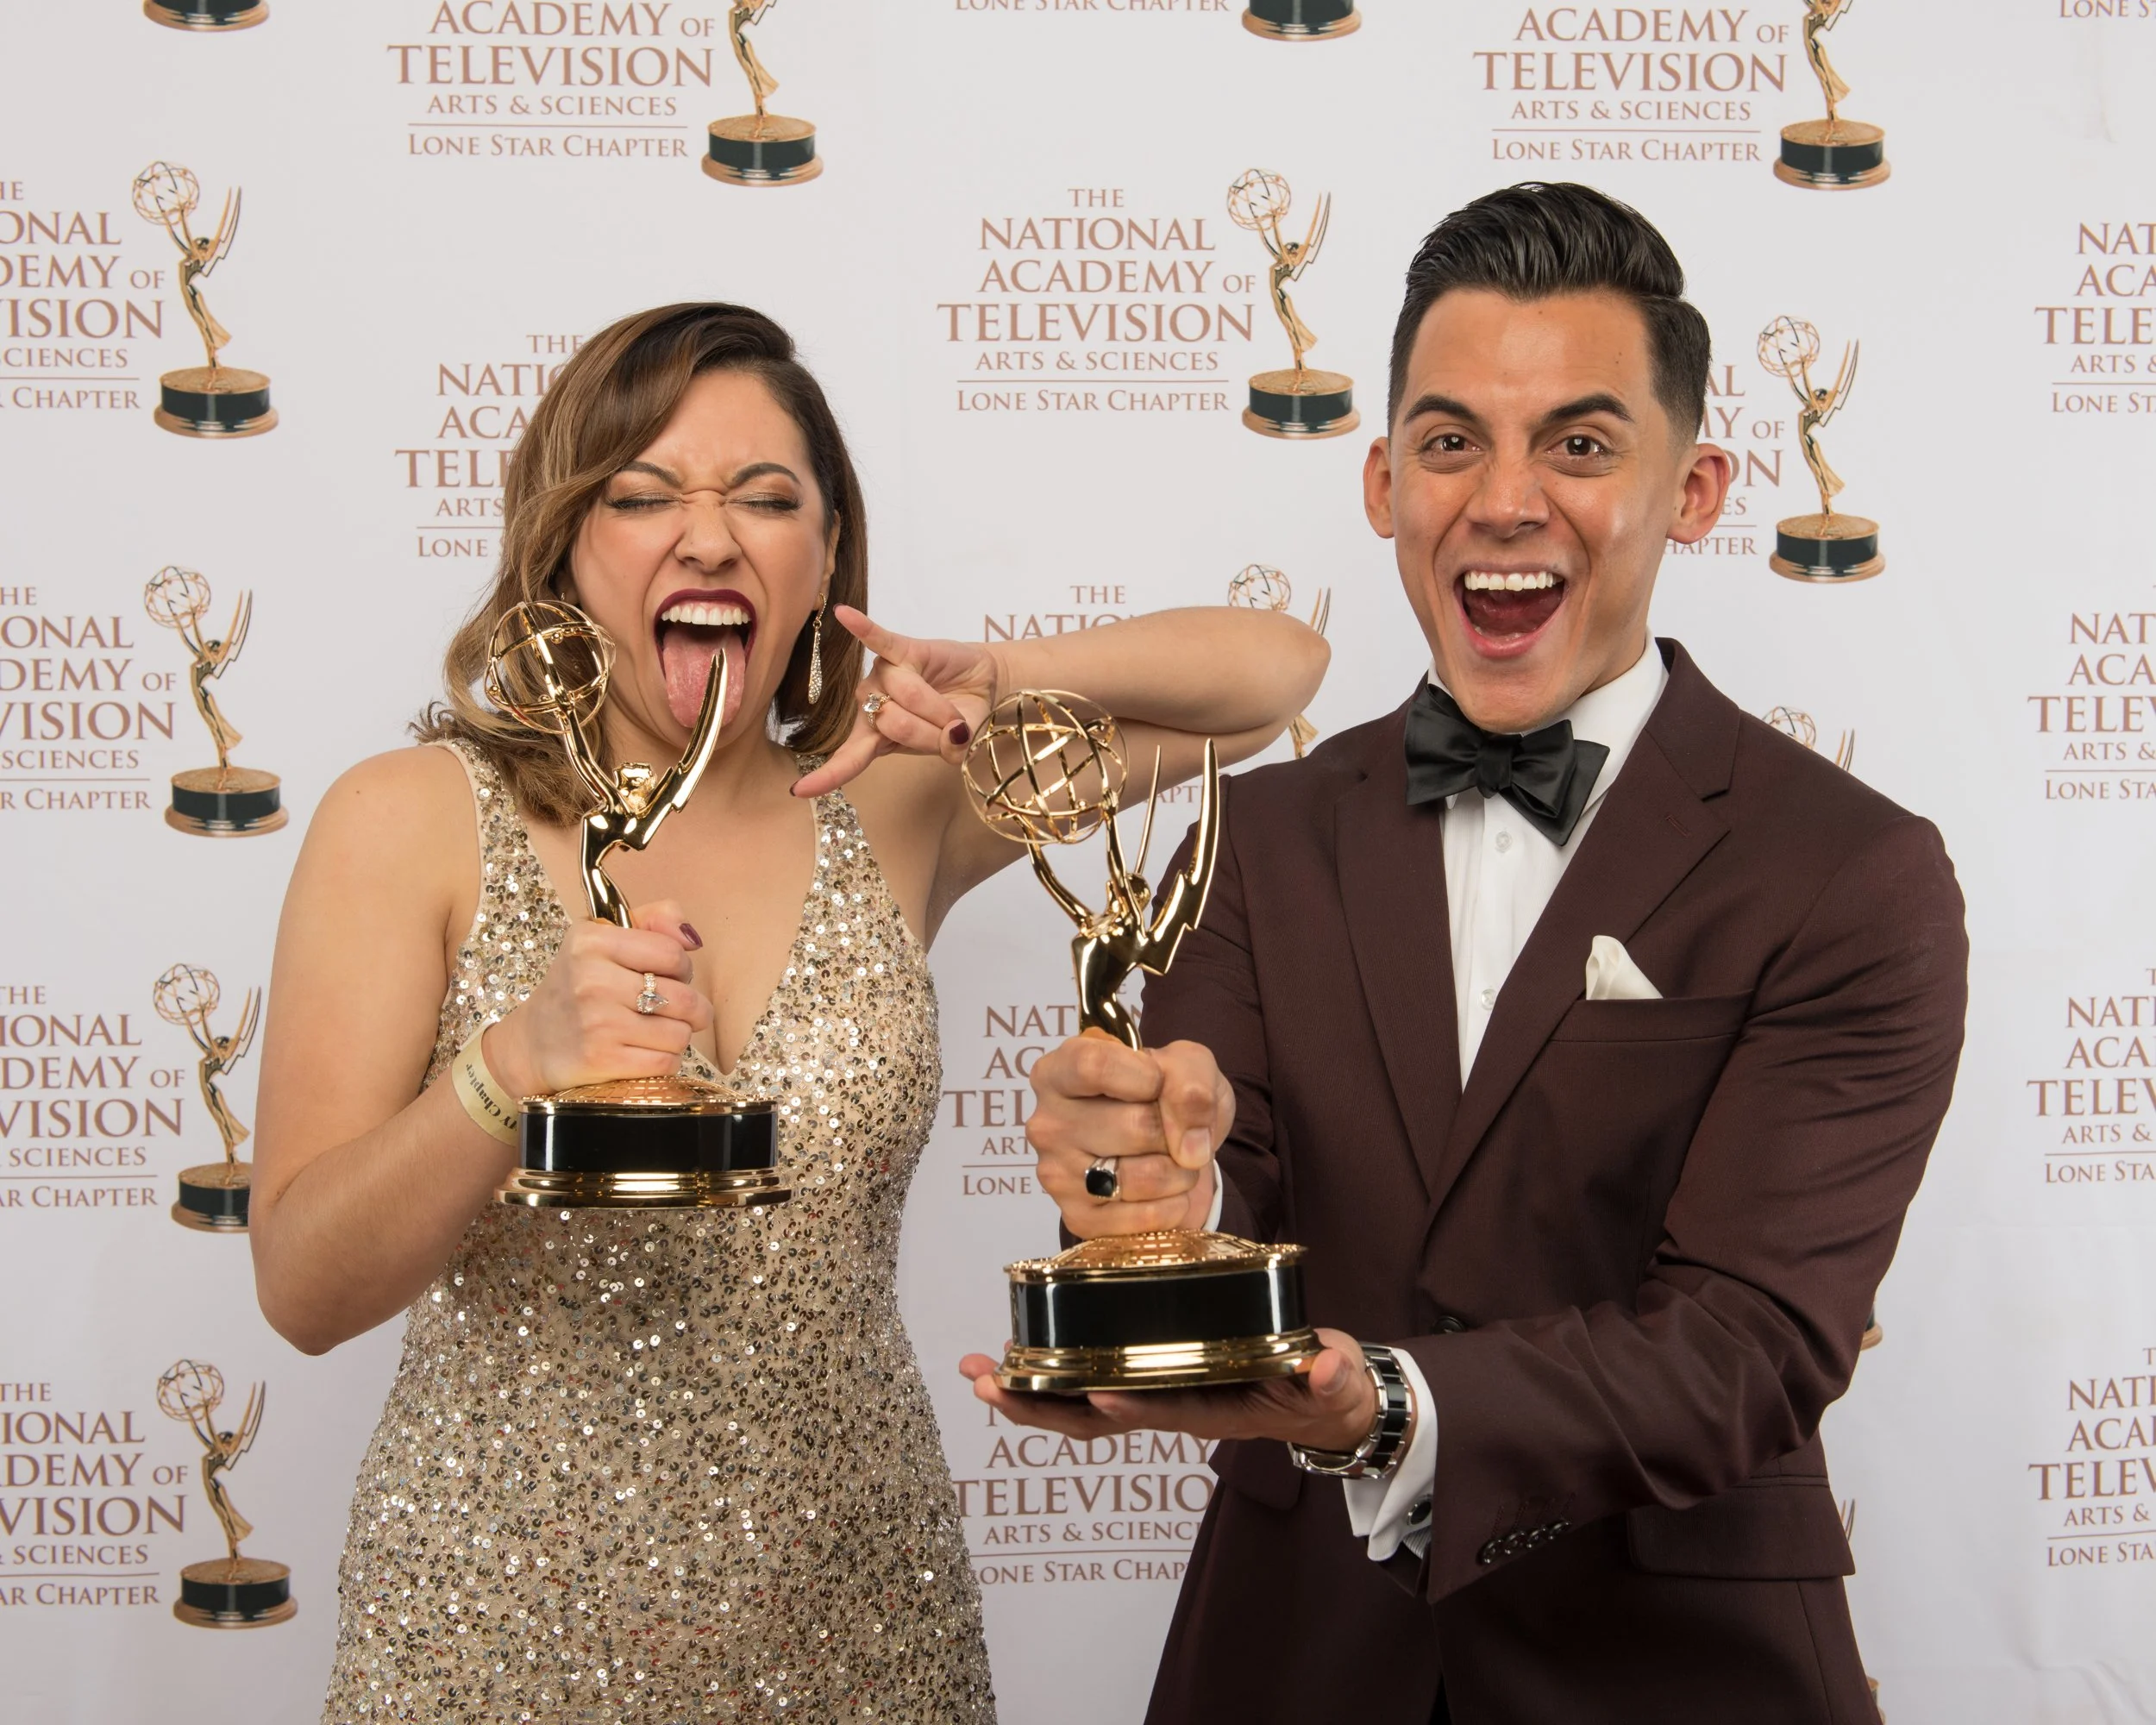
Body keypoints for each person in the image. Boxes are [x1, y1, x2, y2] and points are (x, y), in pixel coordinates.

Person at [962, 184, 1967, 1723]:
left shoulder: (1851, 872)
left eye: (1578, 444)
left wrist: (1390, 1408)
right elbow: (1234, 1178)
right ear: (1379, 483)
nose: (1505, 501)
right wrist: (1159, 1194)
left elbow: (1751, 1341)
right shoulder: (1255, 831)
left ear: (1694, 489)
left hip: (1673, 1675)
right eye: (1450, 443)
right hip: (1291, 1661)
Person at [248, 302, 1327, 1723]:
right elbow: (304, 1289)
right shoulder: (412, 818)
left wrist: (997, 674)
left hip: (859, 1611)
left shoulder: (895, 804)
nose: (709, 538)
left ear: (825, 561)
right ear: (565, 545)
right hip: (492, 1630)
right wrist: (507, 1076)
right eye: (642, 495)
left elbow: (1268, 682)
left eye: (767, 499)